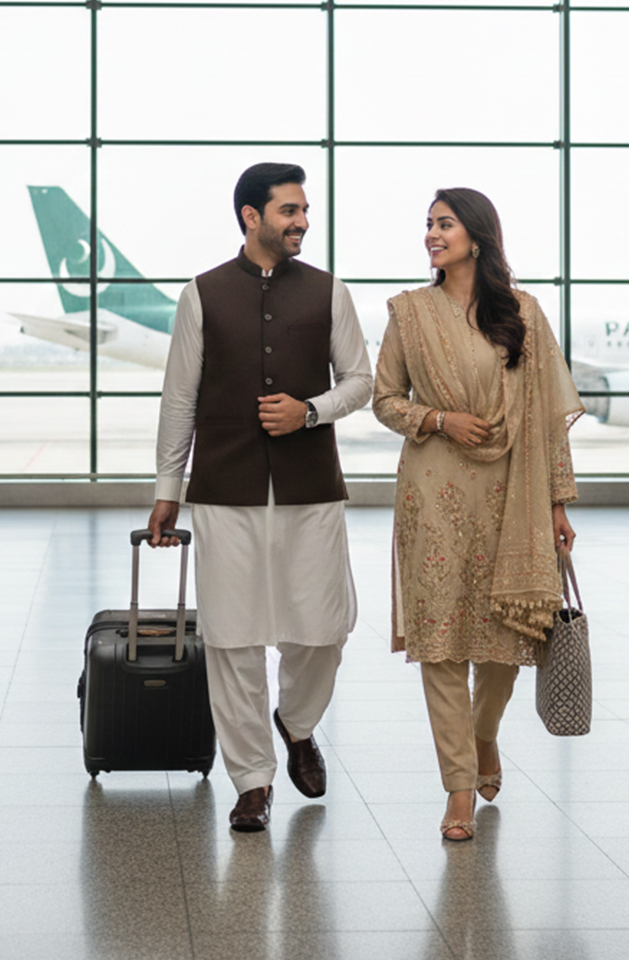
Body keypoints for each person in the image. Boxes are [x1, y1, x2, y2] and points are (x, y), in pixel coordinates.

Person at [147, 162, 374, 831]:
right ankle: (252, 779)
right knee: (232, 638)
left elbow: (359, 381)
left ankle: (297, 723)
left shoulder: (330, 293)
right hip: (225, 489)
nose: (302, 221)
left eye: (304, 210)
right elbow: (179, 398)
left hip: (311, 491)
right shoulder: (202, 294)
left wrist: (309, 411)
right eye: (288, 211)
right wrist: (167, 488)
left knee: (324, 629)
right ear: (251, 216)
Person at [372, 187, 583, 841]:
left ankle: (484, 733)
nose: (433, 234)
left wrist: (555, 504)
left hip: (510, 496)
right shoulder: (408, 313)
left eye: (445, 223)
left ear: (478, 236)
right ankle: (458, 789)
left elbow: (549, 419)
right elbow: (385, 400)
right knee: (441, 648)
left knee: (503, 643)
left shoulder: (521, 313)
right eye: (428, 225)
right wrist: (437, 419)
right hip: (432, 494)